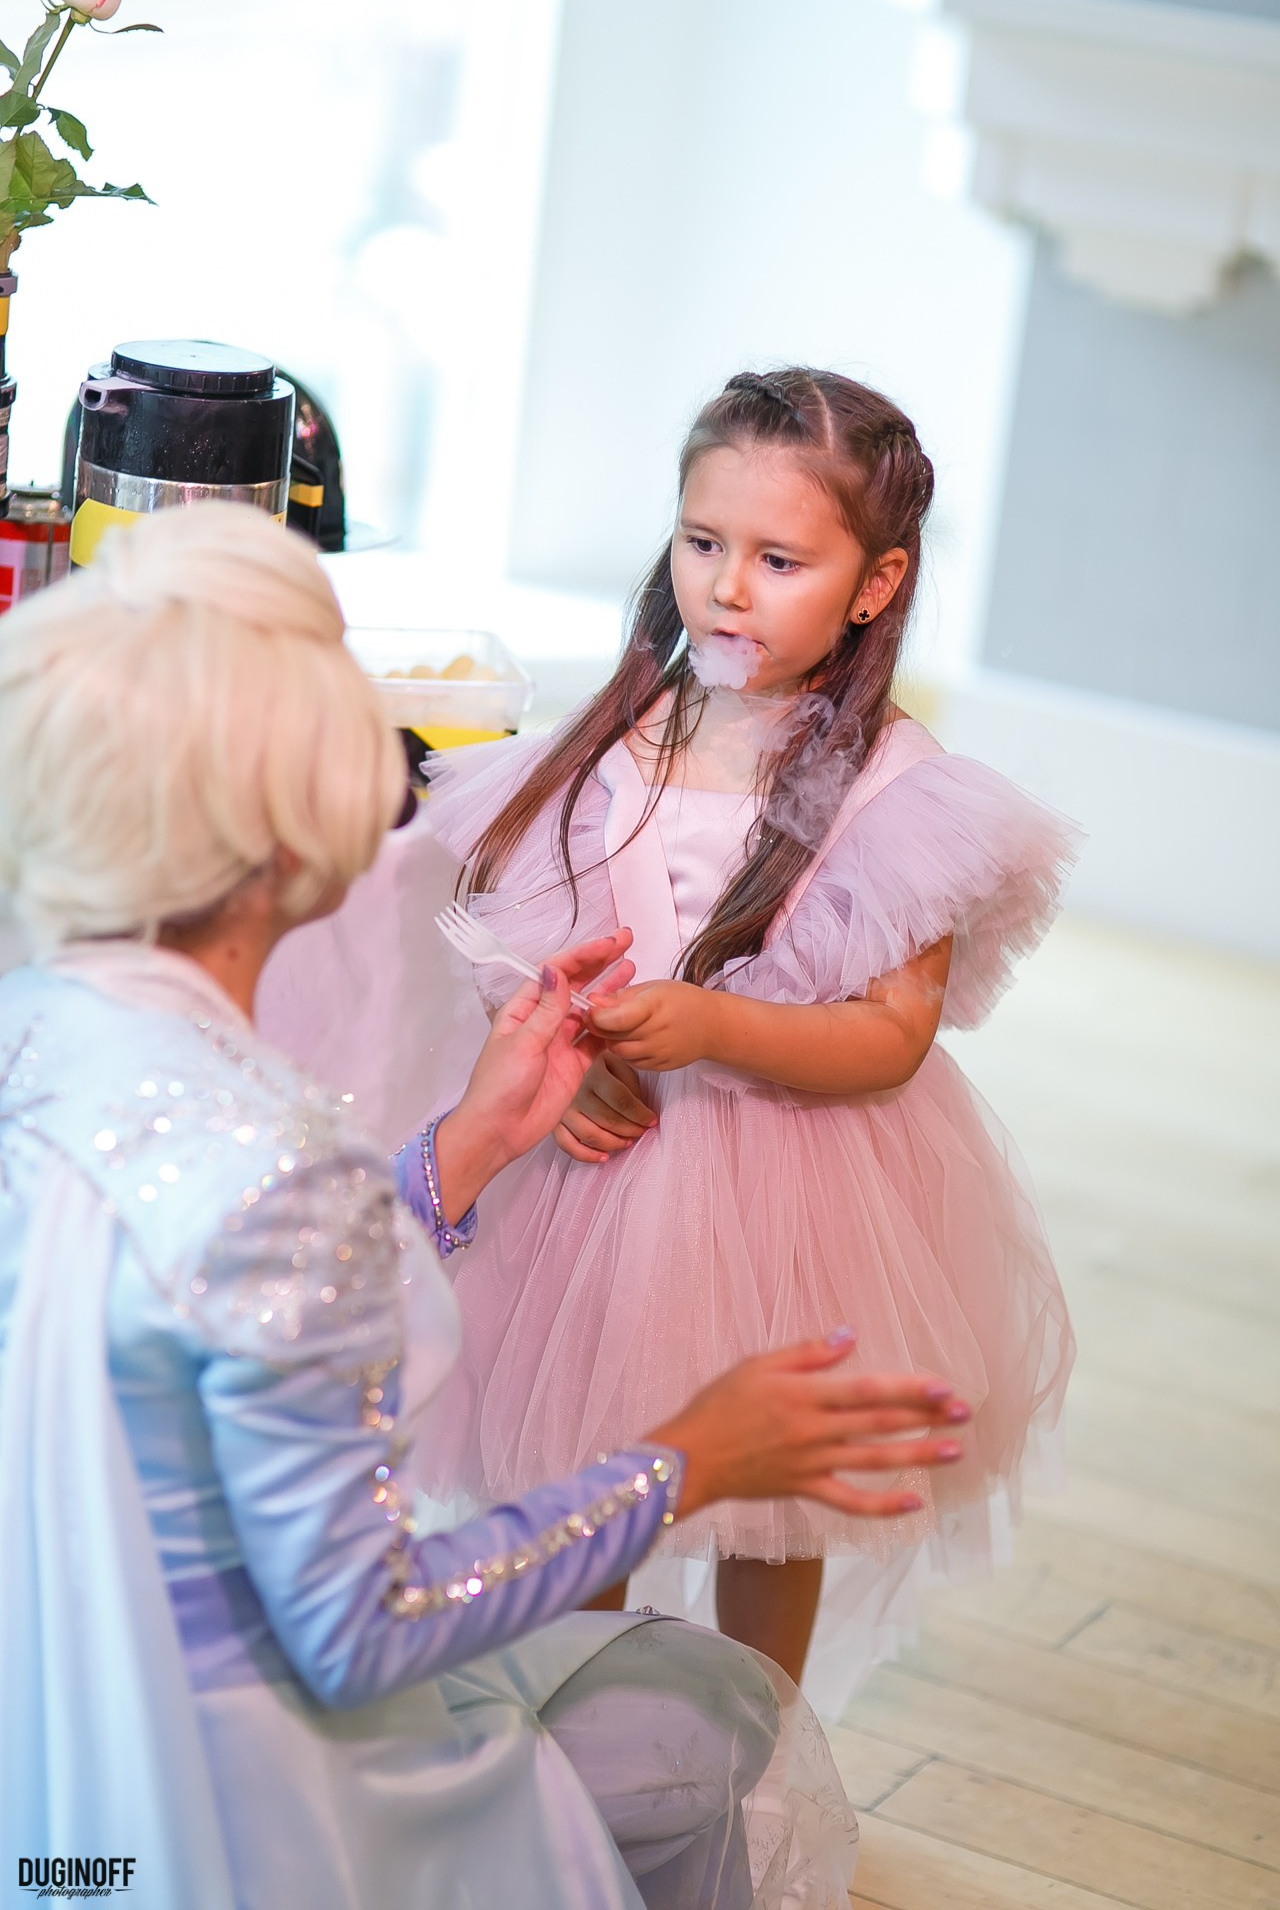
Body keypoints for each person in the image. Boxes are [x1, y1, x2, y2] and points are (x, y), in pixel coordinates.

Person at [0, 503, 973, 1910]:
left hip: (44, 1740)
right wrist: (683, 1464)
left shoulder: (36, 1032)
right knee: (701, 1728)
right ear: (306, 833)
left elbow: (191, 1292)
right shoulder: (274, 1165)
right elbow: (364, 1626)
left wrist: (459, 1149)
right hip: (220, 1816)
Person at [270, 367, 1078, 1707]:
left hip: (795, 1183)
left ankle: (752, 1743)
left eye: (779, 559)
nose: (729, 587)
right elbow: (510, 928)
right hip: (592, 1184)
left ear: (875, 584)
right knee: (584, 1458)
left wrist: (715, 1021)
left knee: (777, 1505)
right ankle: (565, 1728)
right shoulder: (621, 735)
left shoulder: (902, 791)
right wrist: (556, 1062)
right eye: (703, 544)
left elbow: (888, 1039)